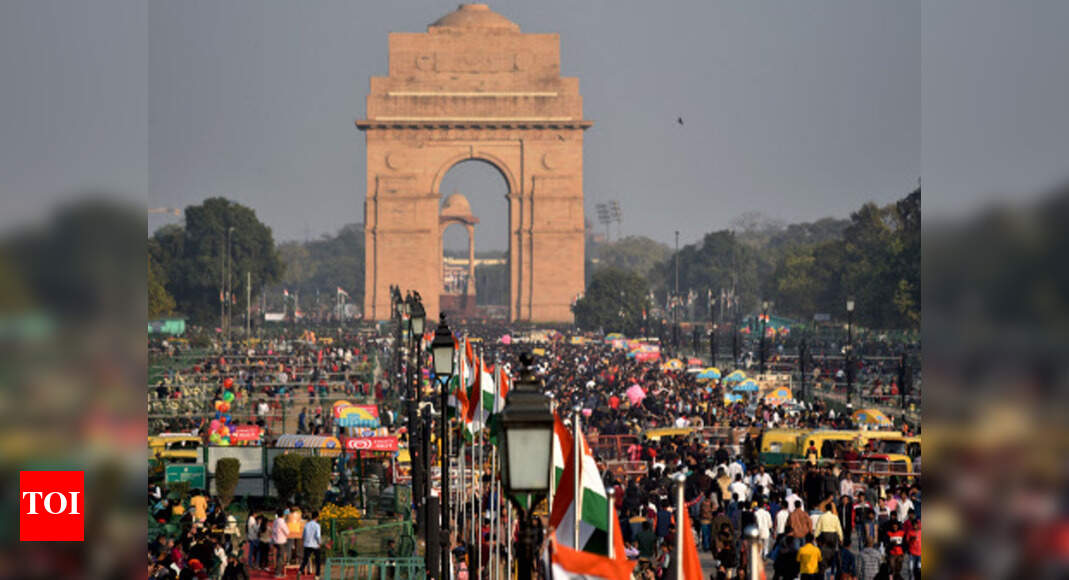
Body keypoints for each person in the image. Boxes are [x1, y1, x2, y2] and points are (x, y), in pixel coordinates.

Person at [299, 510, 322, 578]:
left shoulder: (307, 524)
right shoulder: (317, 525)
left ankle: (300, 571)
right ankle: (317, 575)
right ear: (317, 517)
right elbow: (318, 536)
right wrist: (319, 543)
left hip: (307, 544)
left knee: (305, 560)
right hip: (315, 545)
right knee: (318, 560)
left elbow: (303, 535)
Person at [272, 510, 289, 578]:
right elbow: (287, 531)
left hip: (275, 540)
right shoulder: (282, 522)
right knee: (280, 558)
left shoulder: (275, 521)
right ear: (283, 515)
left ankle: (277, 570)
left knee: (278, 556)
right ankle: (278, 573)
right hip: (281, 541)